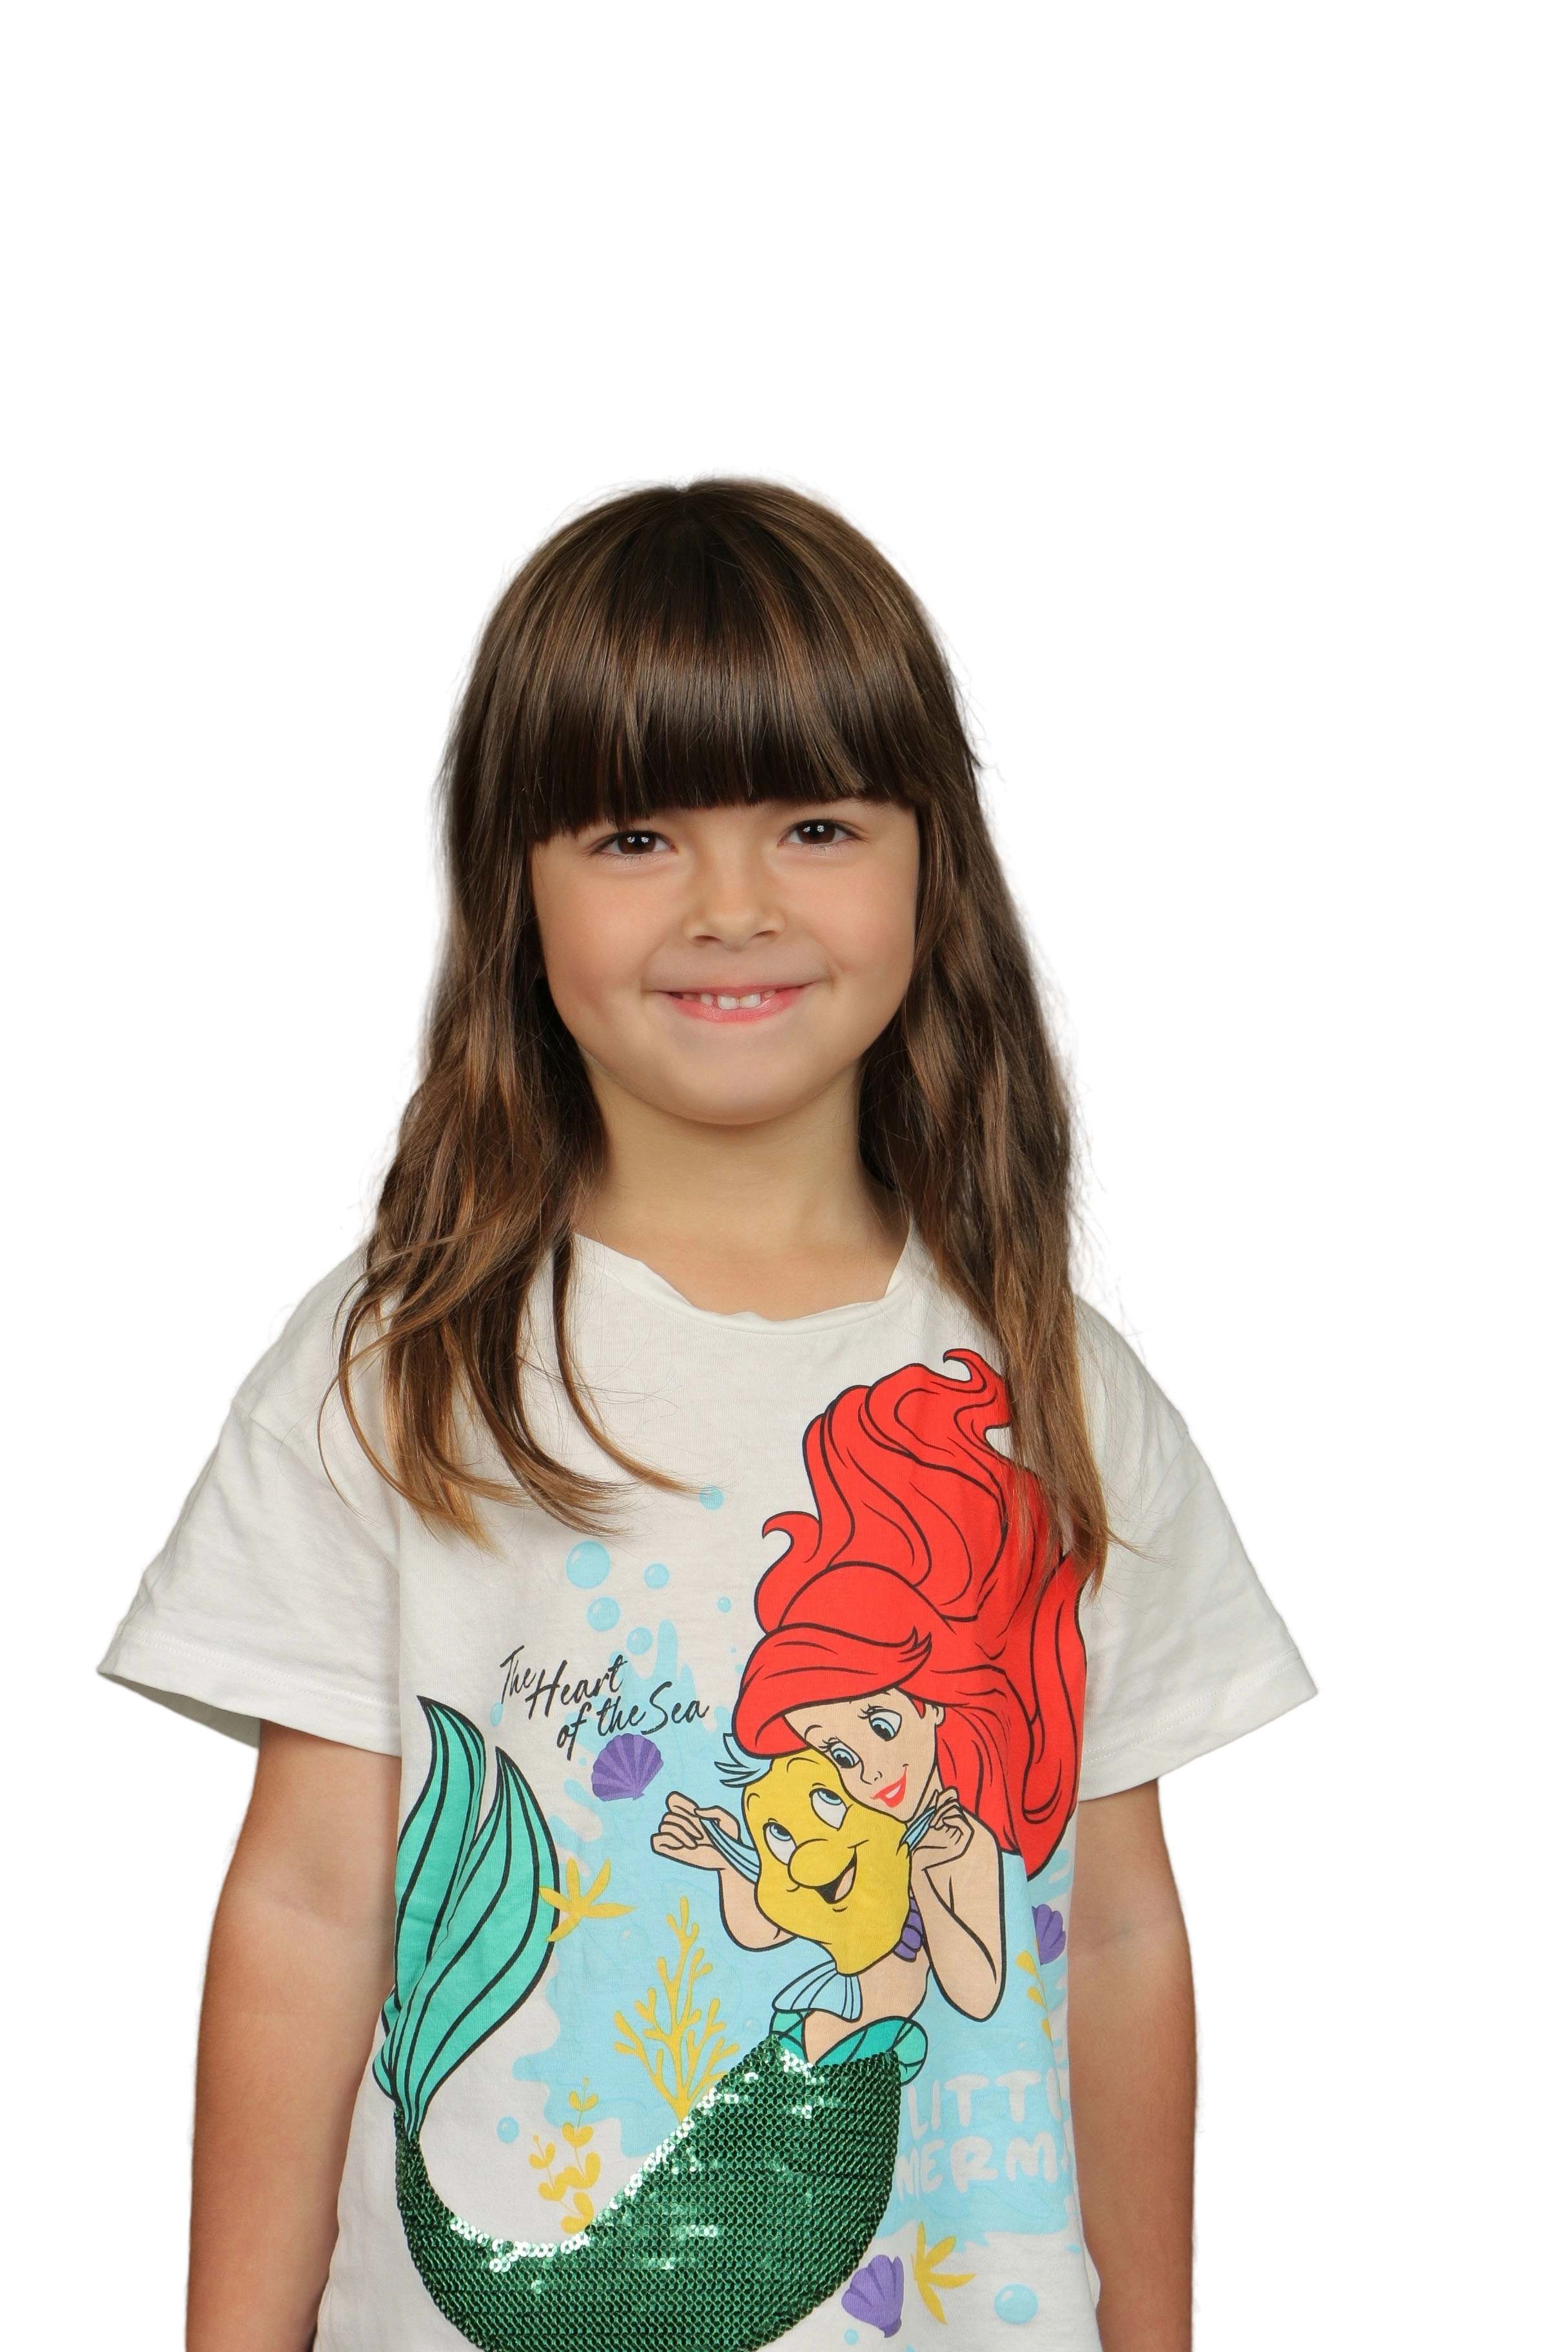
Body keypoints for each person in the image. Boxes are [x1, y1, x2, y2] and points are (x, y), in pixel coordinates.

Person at [94, 465, 1319, 2352]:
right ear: (507, 886)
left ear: (937, 861)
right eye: (634, 835)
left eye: (815, 824)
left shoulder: (1057, 1387)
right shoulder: (395, 1366)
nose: (732, 907)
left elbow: (1125, 1925)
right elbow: (313, 1907)